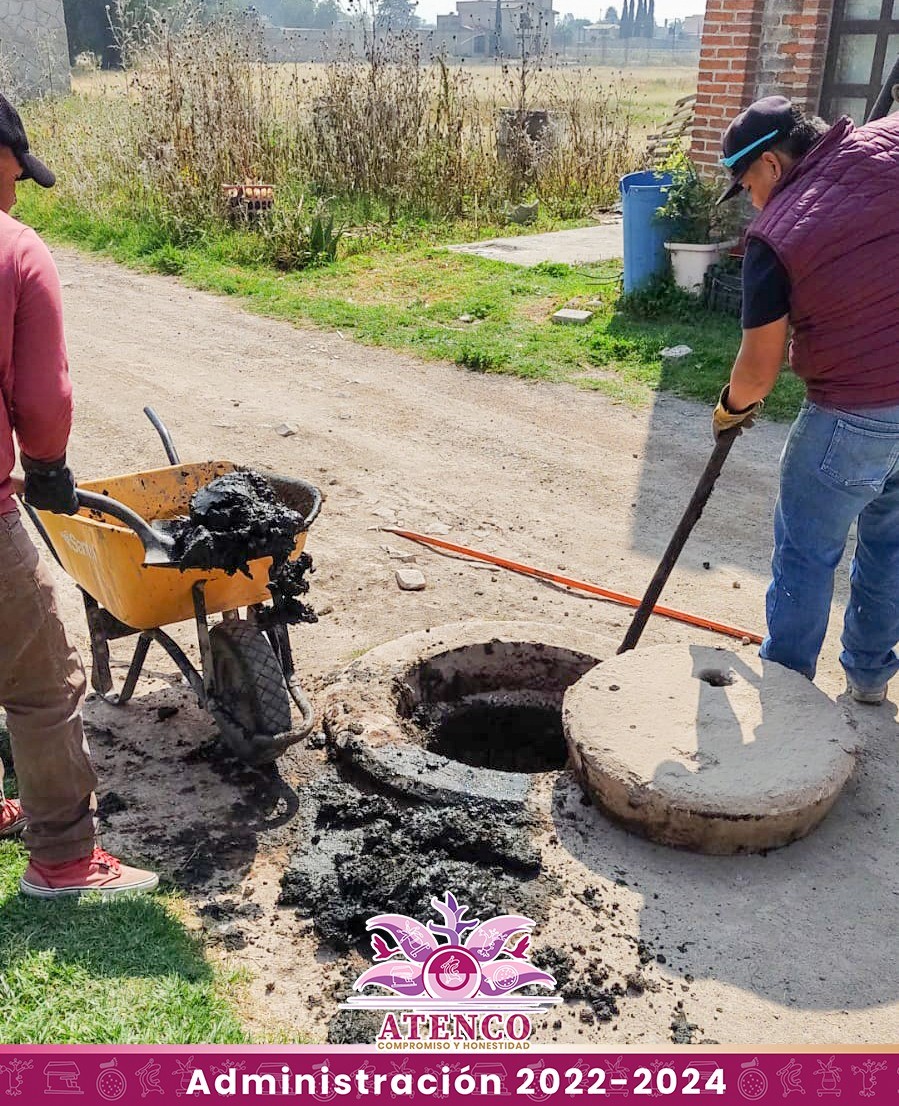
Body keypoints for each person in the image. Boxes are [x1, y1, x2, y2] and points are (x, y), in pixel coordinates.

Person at [0, 93, 158, 896]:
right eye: (16, 174)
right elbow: (44, 394)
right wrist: (49, 466)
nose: (18, 192)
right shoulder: (13, 250)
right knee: (43, 683)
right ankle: (62, 860)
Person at [711, 94, 899, 703]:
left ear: (770, 163)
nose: (753, 201)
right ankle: (870, 677)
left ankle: (788, 694)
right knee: (891, 542)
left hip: (853, 414)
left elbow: (759, 373)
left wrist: (731, 408)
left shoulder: (775, 237)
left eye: (746, 185)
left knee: (806, 553)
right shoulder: (886, 144)